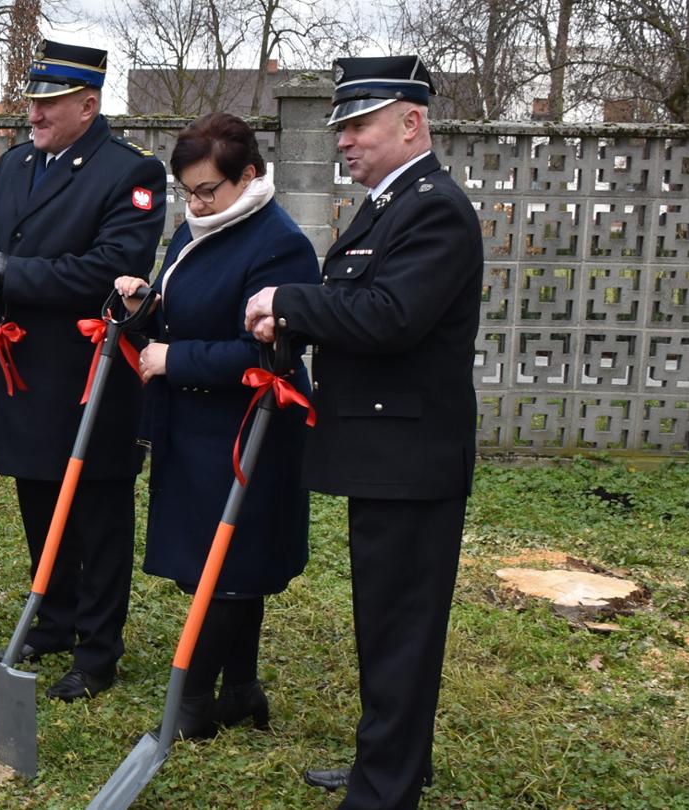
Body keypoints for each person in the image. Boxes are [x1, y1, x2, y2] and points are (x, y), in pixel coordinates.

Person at [243, 55, 483, 809]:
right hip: (385, 453)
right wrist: (291, 323)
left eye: (358, 126)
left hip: (412, 458)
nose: (342, 141)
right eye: (340, 127)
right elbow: (357, 309)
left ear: (412, 123)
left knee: (402, 628)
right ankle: (392, 762)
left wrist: (291, 301)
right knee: (384, 624)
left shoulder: (434, 207)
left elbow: (391, 317)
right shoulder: (388, 205)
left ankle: (387, 788)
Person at [0, 41, 166, 700]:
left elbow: (114, 266)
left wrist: (14, 273)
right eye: (33, 100)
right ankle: (55, 617)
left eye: (49, 103)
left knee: (98, 514)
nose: (36, 113)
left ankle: (99, 647)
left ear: (88, 103)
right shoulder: (16, 164)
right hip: (24, 365)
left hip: (89, 373)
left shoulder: (128, 173)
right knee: (38, 499)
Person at [111, 112, 318, 737]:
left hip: (246, 426)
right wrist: (144, 305)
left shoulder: (278, 243)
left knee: (230, 566)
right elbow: (184, 312)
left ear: (248, 175)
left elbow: (270, 352)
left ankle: (195, 705)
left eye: (208, 189)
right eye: (187, 190)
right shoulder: (197, 229)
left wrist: (173, 359)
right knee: (215, 566)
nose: (195, 202)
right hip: (194, 424)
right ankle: (243, 688)